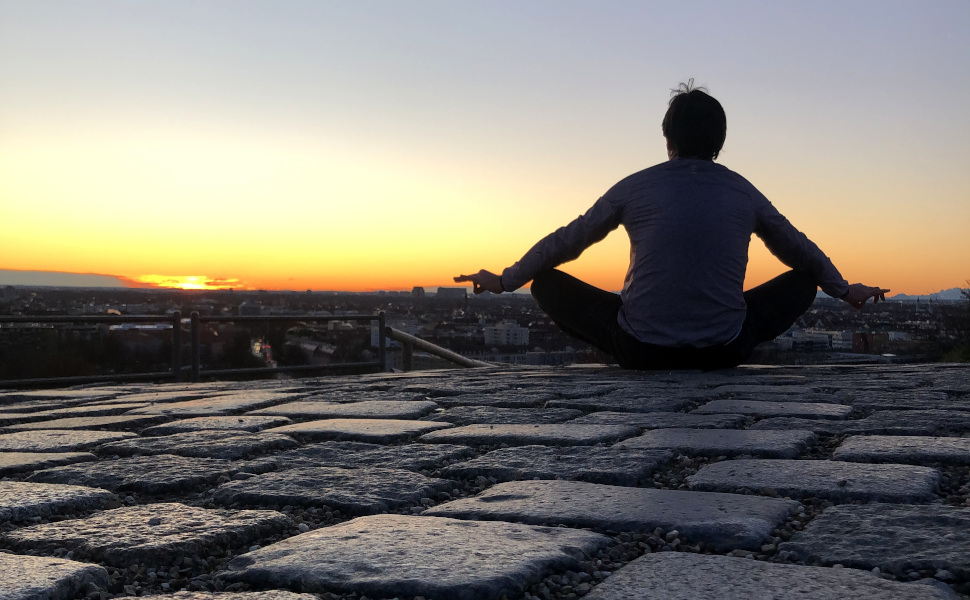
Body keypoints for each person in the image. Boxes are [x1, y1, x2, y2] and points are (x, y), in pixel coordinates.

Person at [455, 81, 888, 370]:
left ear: (669, 139)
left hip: (641, 350)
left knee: (545, 283)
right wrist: (844, 290)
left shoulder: (635, 186)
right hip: (724, 350)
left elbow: (569, 240)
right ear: (719, 142)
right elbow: (799, 249)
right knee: (802, 282)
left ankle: (630, 345)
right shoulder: (743, 191)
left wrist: (506, 280)